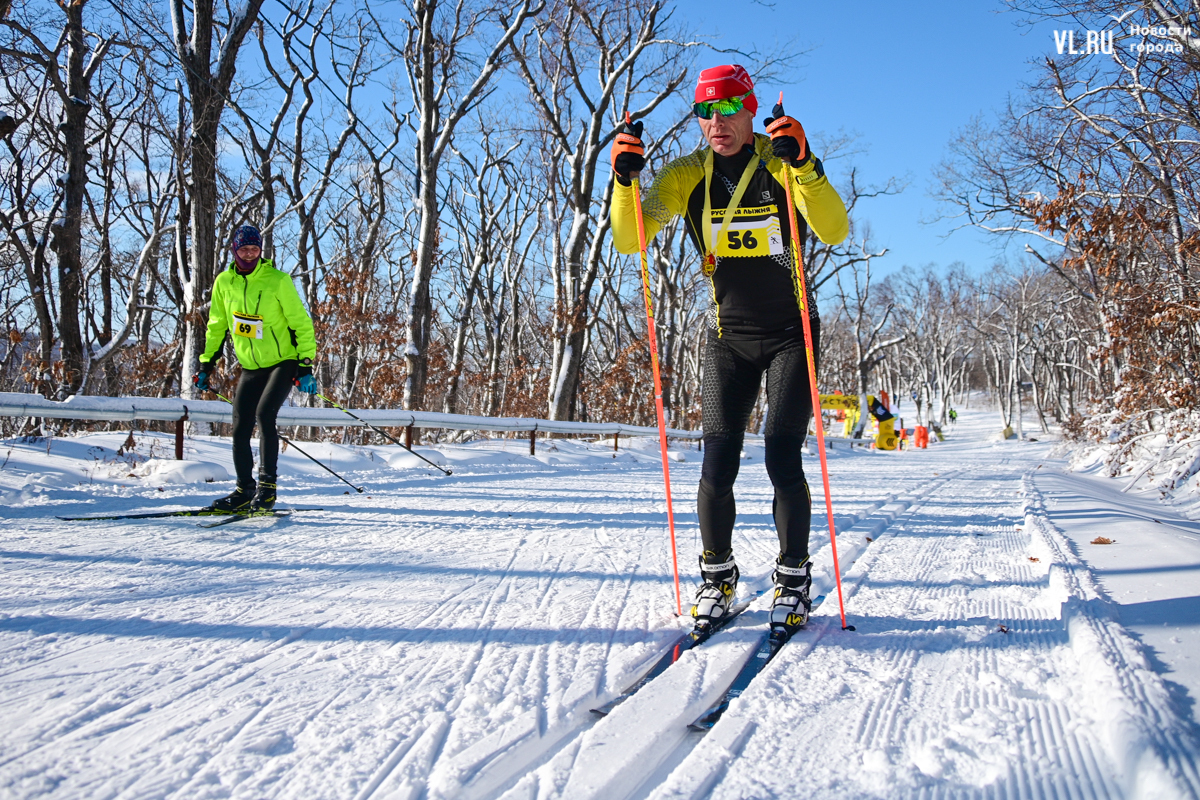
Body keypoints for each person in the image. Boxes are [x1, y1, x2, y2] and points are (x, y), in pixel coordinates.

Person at [610, 65, 849, 636]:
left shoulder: (778, 161)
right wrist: (623, 181)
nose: (717, 124)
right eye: (704, 113)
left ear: (750, 109)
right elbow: (630, 240)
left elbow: (834, 229)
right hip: (728, 337)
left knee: (780, 454)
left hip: (792, 333)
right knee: (717, 466)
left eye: (727, 110)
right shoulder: (688, 175)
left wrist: (806, 167)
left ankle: (793, 579)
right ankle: (716, 579)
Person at [194, 225, 319, 511]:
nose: (249, 254)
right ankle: (243, 490)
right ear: (234, 251)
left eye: (254, 249)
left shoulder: (277, 280)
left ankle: (267, 489)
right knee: (239, 424)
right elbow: (217, 326)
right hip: (250, 364)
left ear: (261, 251)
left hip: (282, 360)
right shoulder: (224, 283)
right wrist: (206, 364)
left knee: (264, 415)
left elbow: (301, 322)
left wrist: (305, 365)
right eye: (243, 249)